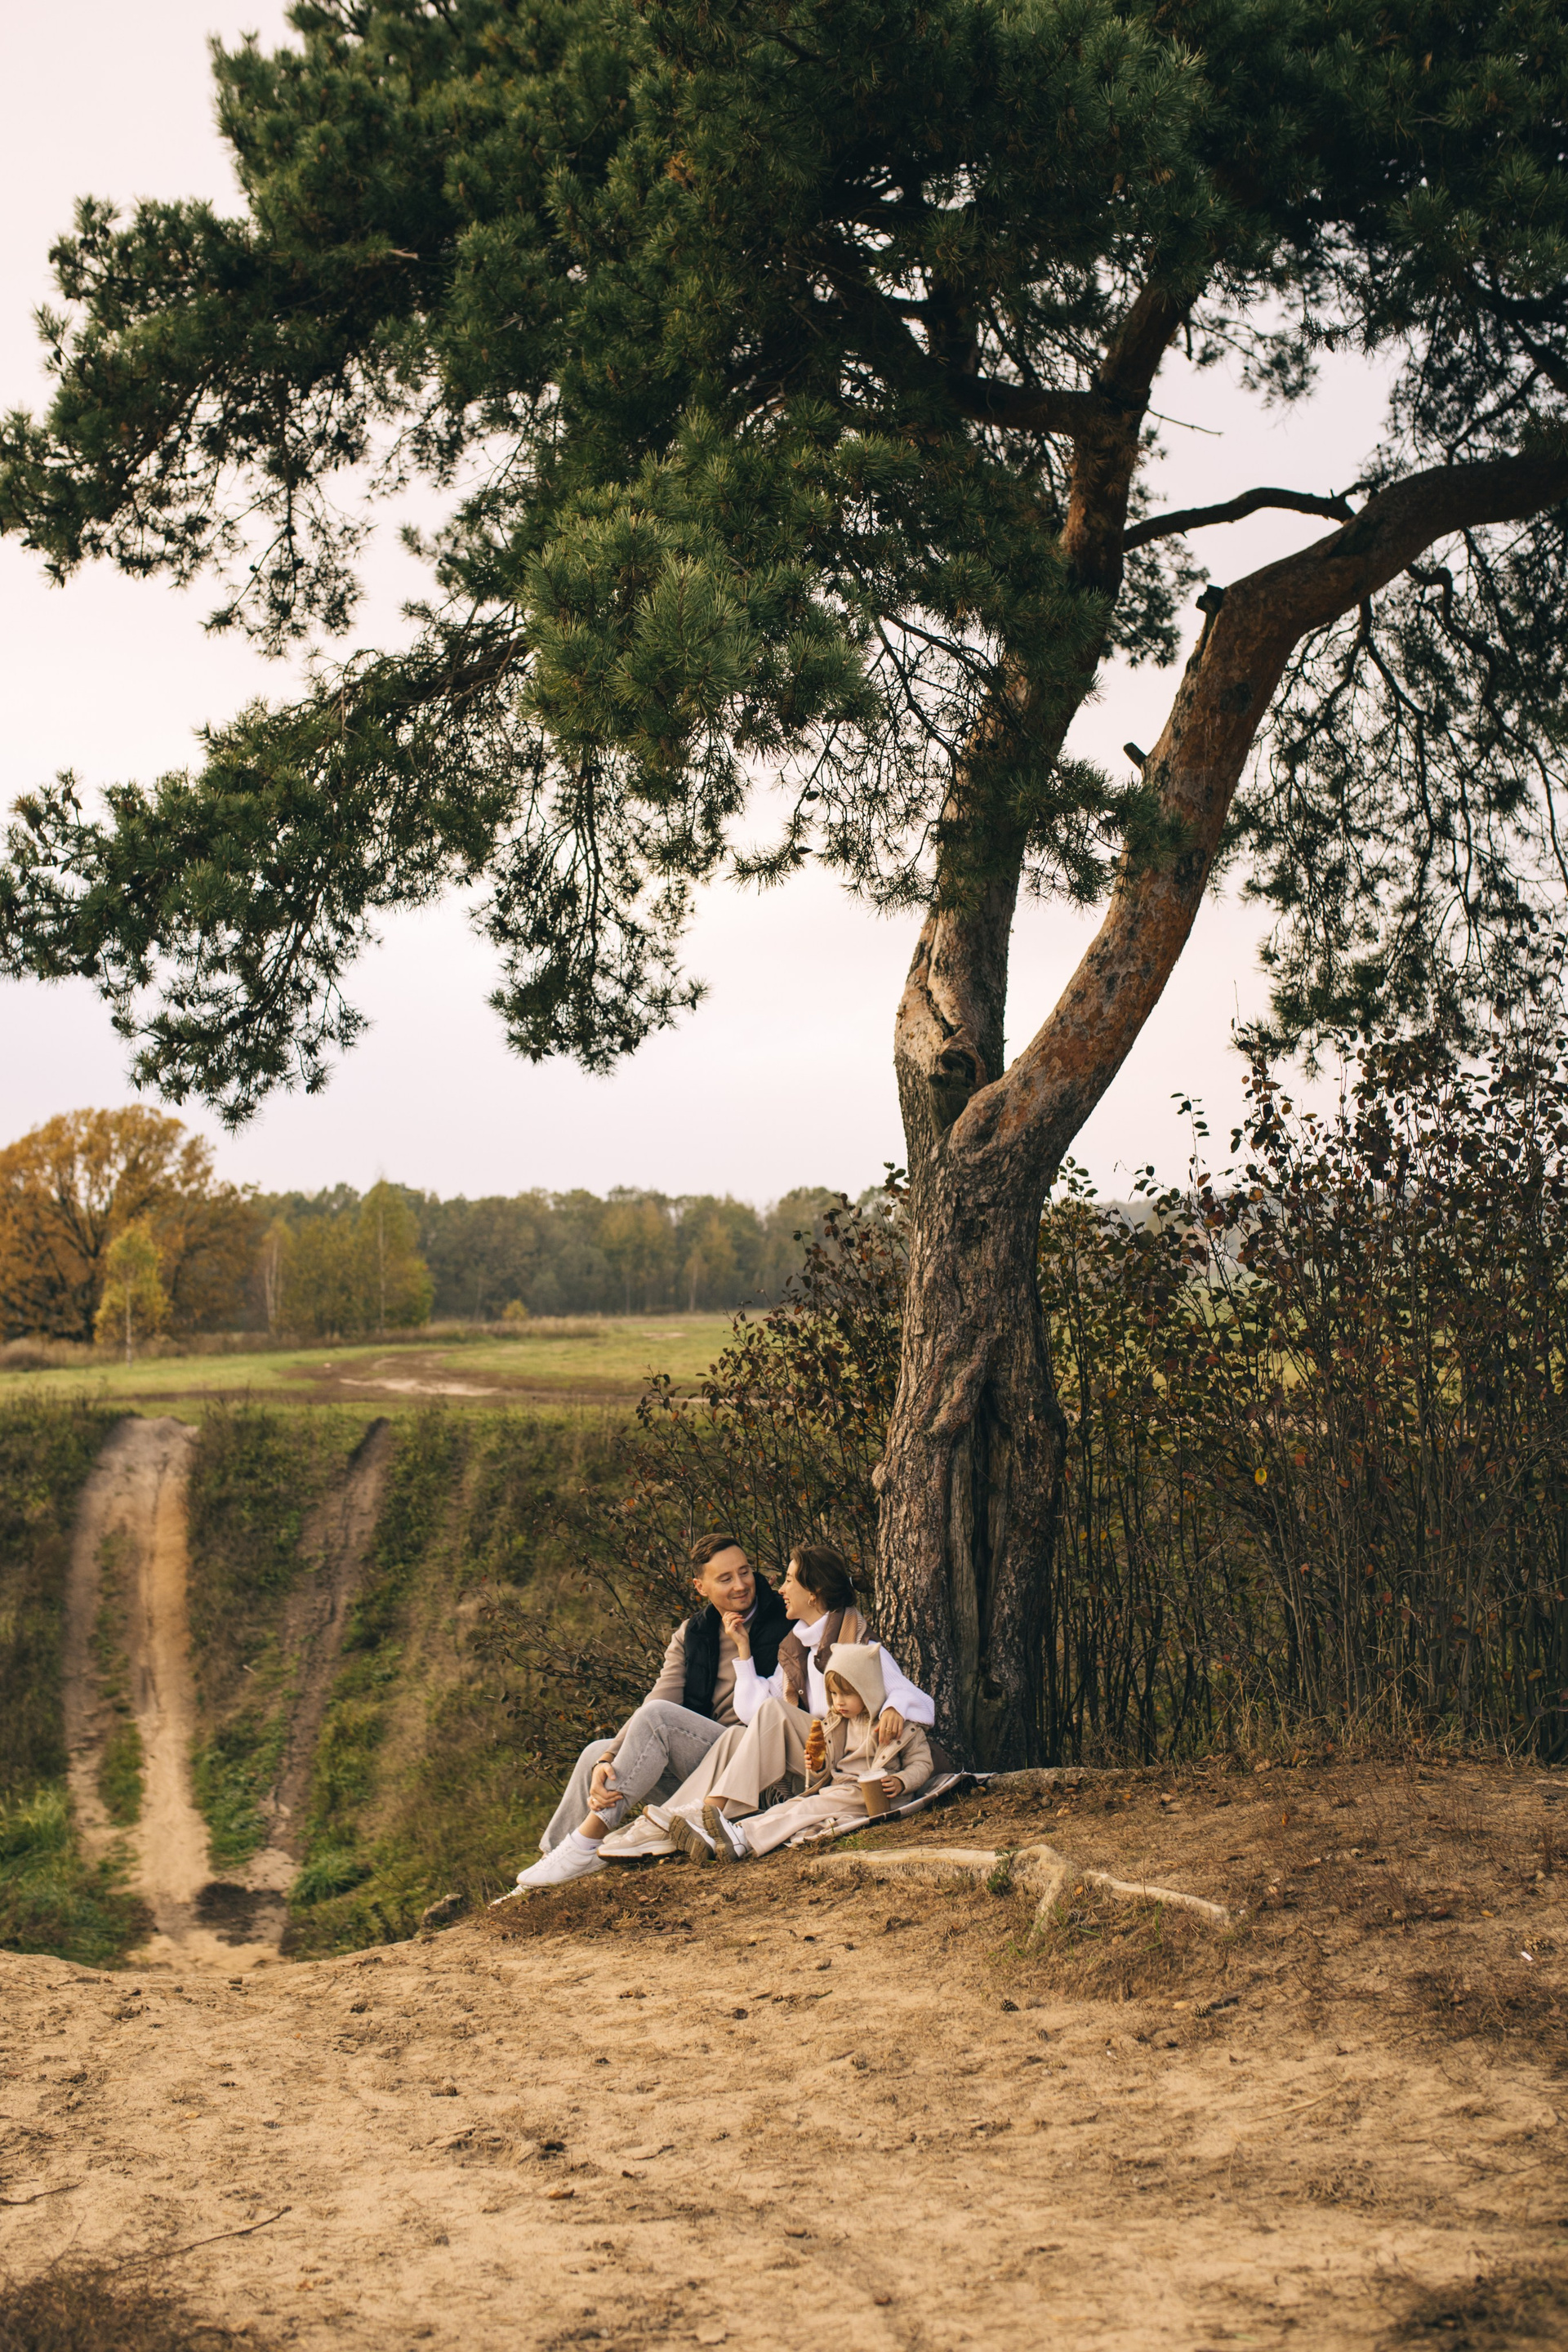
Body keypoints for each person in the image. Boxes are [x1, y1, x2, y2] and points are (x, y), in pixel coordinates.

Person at [598, 1541, 934, 1862]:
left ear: (813, 1593)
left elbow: (917, 1699)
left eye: (789, 1580)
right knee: (738, 1732)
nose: (781, 1589)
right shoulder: (798, 1647)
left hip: (853, 1759)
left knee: (771, 1713)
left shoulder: (856, 1646)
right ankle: (675, 1820)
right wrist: (743, 1650)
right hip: (822, 1752)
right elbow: (753, 1712)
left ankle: (701, 1813)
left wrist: (894, 1707)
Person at [510, 1533, 788, 1888]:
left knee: (658, 1718)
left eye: (745, 1572)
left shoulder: (784, 1617)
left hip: (753, 1766)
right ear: (700, 1586)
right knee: (596, 1753)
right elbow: (660, 1696)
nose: (740, 1585)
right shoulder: (693, 1633)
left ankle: (586, 1841)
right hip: (705, 1763)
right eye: (725, 1578)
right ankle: (550, 1863)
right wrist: (607, 1758)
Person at [703, 1642, 933, 1861]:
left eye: (846, 1694)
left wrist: (902, 1781)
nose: (839, 1702)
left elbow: (922, 1763)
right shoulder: (837, 1723)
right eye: (833, 1694)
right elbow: (830, 1767)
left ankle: (746, 1838)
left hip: (876, 1796)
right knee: (792, 1806)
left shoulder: (897, 1726)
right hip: (840, 1788)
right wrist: (818, 1765)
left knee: (808, 1808)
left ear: (868, 1689)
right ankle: (735, 1832)